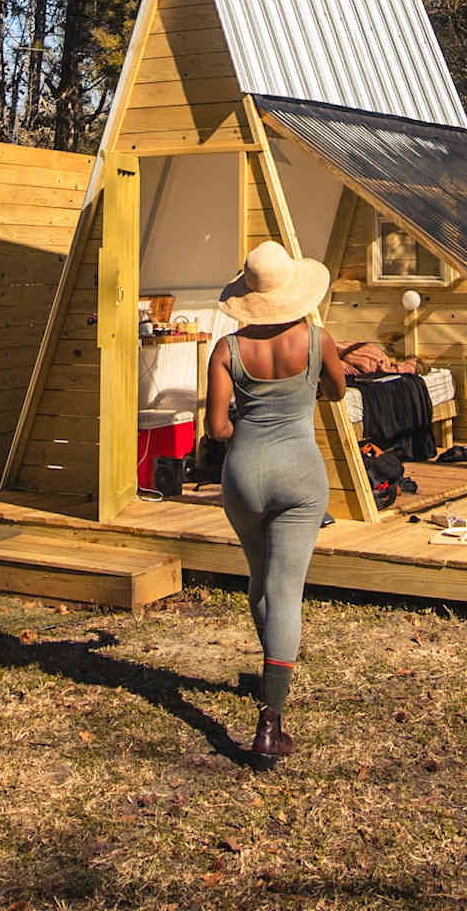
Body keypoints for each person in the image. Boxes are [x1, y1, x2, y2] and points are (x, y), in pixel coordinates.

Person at [205, 238, 348, 768]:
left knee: (260, 578)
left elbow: (217, 427)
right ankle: (271, 721)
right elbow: (337, 391)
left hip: (243, 473)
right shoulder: (316, 339)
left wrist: (246, 421)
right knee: (287, 592)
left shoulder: (226, 349)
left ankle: (271, 671)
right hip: (300, 474)